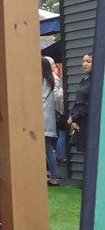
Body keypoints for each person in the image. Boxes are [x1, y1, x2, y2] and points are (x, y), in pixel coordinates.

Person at [41, 56, 64, 186]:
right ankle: (52, 174)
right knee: (49, 148)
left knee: (47, 149)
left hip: (42, 119)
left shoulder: (43, 81)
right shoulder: (53, 80)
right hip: (50, 118)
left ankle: (53, 175)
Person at [69, 52, 93, 153]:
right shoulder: (83, 80)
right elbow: (78, 100)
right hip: (80, 122)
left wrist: (75, 117)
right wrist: (73, 118)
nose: (84, 64)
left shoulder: (97, 81)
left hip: (90, 121)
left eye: (88, 61)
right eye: (83, 61)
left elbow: (90, 103)